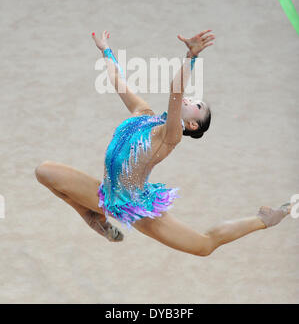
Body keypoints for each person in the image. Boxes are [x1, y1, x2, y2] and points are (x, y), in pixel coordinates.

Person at [35, 30, 291, 255]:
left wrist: (191, 58)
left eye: (198, 106)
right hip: (105, 194)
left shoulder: (170, 136)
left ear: (192, 125)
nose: (192, 100)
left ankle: (264, 219)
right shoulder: (143, 114)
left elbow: (176, 92)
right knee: (44, 172)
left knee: (204, 245)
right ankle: (94, 219)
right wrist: (106, 51)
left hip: (138, 209)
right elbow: (118, 82)